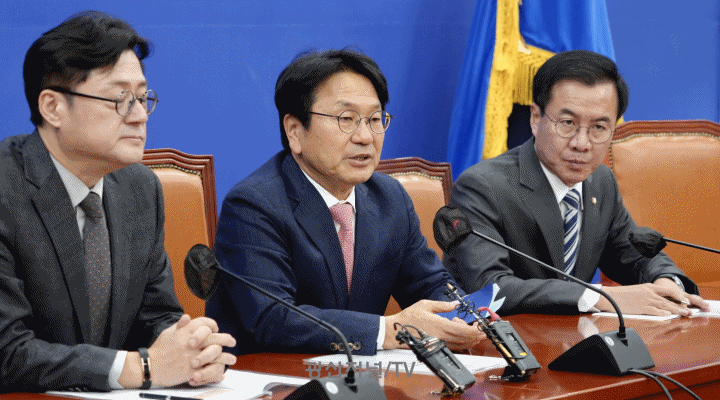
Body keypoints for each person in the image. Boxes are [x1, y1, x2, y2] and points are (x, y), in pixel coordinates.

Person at [0, 11, 236, 392]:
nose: (140, 116)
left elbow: (156, 315)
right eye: (121, 99)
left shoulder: (139, 189)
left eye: (142, 98)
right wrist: (141, 367)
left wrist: (190, 351)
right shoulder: (6, 190)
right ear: (53, 107)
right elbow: (7, 352)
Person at [206, 49, 485, 356]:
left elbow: (430, 283)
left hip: (361, 374)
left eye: (375, 119)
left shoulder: (389, 198)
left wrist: (464, 316)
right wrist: (390, 330)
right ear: (294, 131)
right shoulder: (253, 205)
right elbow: (273, 318)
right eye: (346, 119)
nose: (365, 136)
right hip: (272, 374)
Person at [444, 50, 709, 317]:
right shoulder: (481, 188)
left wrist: (666, 281)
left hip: (574, 335)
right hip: (498, 336)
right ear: (535, 118)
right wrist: (597, 297)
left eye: (599, 128)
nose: (582, 144)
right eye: (568, 123)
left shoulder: (600, 181)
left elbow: (633, 254)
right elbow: (491, 289)